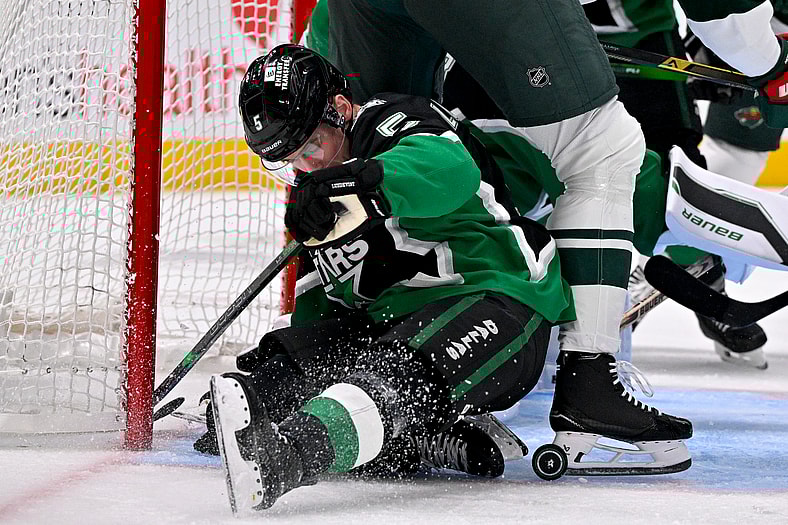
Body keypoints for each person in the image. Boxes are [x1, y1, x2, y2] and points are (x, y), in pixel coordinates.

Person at [210, 44, 595, 514]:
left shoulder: (392, 122)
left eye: (311, 147)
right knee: (279, 382)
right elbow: (326, 300)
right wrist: (286, 376)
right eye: (292, 160)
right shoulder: (318, 196)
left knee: (395, 372)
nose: (307, 166)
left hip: (496, 299)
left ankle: (291, 457)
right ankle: (423, 436)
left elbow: (452, 171)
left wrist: (358, 183)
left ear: (340, 108)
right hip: (394, 323)